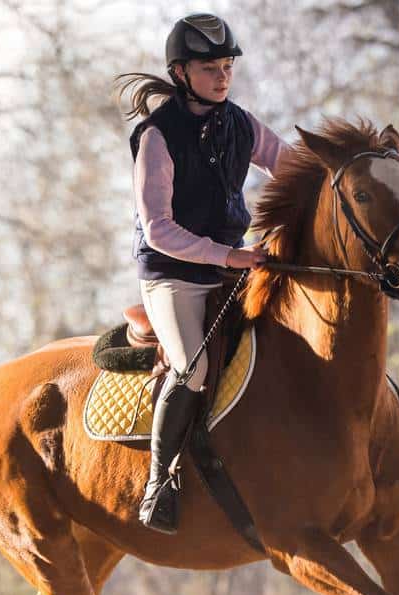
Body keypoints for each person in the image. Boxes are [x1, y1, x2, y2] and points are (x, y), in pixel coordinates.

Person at [117, 13, 291, 534]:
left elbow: (294, 168)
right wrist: (229, 255)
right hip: (172, 276)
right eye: (210, 68)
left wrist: (347, 174)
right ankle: (158, 483)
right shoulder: (156, 136)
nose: (222, 77)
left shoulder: (242, 124)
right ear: (180, 72)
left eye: (227, 66)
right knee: (192, 368)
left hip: (229, 267)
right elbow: (158, 230)